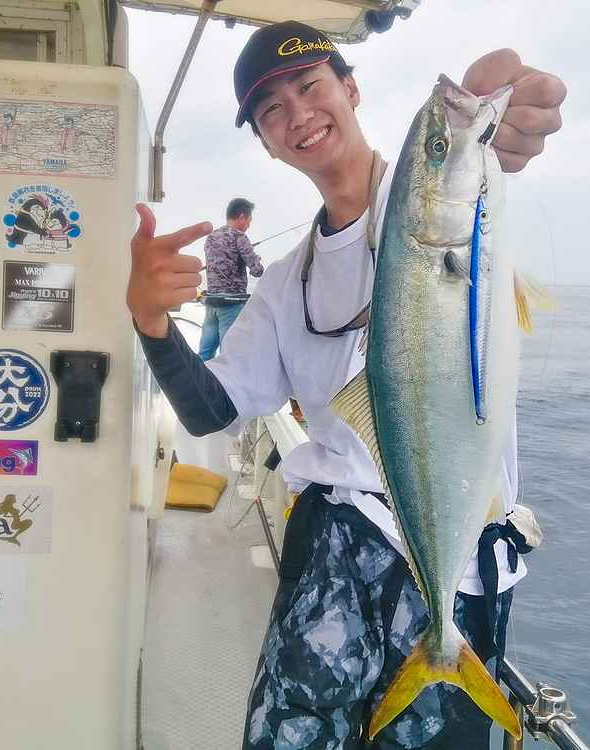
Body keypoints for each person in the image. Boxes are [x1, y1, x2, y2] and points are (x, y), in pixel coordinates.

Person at [126, 20, 566, 749]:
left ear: (351, 90)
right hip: (333, 545)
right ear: (267, 143)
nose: (298, 114)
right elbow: (210, 411)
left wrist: (504, 104)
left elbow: (501, 84)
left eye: (311, 86)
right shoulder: (284, 285)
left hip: (454, 551)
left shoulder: (445, 195)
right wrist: (150, 321)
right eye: (272, 110)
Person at [198, 198, 264, 361]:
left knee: (204, 354)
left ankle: (198, 378)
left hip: (211, 303)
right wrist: (255, 258)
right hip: (230, 305)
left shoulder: (211, 237)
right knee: (228, 355)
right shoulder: (240, 237)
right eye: (249, 221)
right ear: (241, 216)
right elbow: (257, 271)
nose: (248, 225)